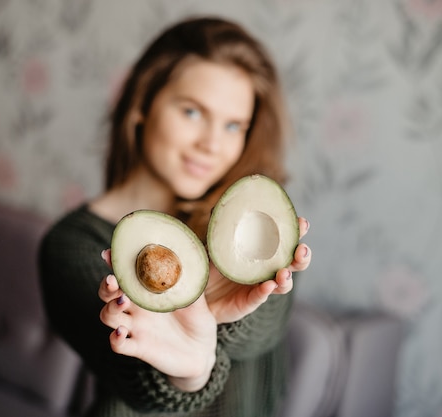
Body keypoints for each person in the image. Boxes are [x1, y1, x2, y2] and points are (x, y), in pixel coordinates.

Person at [38, 16, 312, 417]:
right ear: (143, 105)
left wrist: (215, 308)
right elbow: (136, 373)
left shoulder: (250, 221)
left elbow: (265, 330)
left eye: (234, 125)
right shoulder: (72, 246)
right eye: (192, 112)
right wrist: (190, 372)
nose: (212, 144)